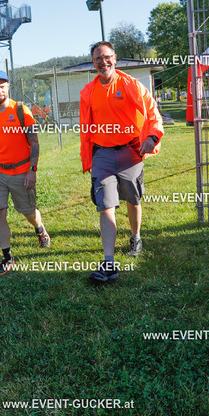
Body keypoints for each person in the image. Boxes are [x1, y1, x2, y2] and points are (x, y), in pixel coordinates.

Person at [79, 41, 164, 283]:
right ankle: (109, 263)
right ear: (93, 63)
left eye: (107, 57)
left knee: (133, 199)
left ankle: (135, 237)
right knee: (105, 205)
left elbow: (152, 112)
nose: (103, 62)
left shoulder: (130, 85)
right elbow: (86, 127)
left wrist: (152, 136)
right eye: (98, 59)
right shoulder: (88, 92)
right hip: (102, 155)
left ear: (115, 58)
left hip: (129, 152)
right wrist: (89, 156)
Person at [0, 70, 50, 275]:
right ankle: (7, 257)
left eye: (2, 86)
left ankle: (39, 228)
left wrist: (32, 170)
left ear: (8, 87)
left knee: (28, 211)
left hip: (21, 171)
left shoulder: (21, 110)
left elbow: (34, 142)